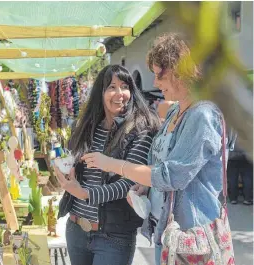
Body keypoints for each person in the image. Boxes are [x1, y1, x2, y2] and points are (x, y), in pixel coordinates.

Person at [82, 33, 234, 265]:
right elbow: (156, 162)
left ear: (178, 71)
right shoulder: (176, 111)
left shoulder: (202, 115)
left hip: (193, 236)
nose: (155, 83)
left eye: (158, 75)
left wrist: (112, 164)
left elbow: (171, 176)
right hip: (167, 230)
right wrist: (144, 187)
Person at [54, 65, 160, 265]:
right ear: (101, 93)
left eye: (125, 86)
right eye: (112, 87)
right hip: (76, 228)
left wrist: (85, 194)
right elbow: (74, 164)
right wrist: (65, 172)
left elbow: (131, 181)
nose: (120, 94)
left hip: (113, 236)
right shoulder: (87, 127)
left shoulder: (139, 129)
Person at [228, 134, 253, 205]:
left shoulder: (231, 126)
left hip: (232, 156)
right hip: (246, 155)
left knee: (232, 178)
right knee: (247, 178)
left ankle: (233, 198)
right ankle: (247, 199)